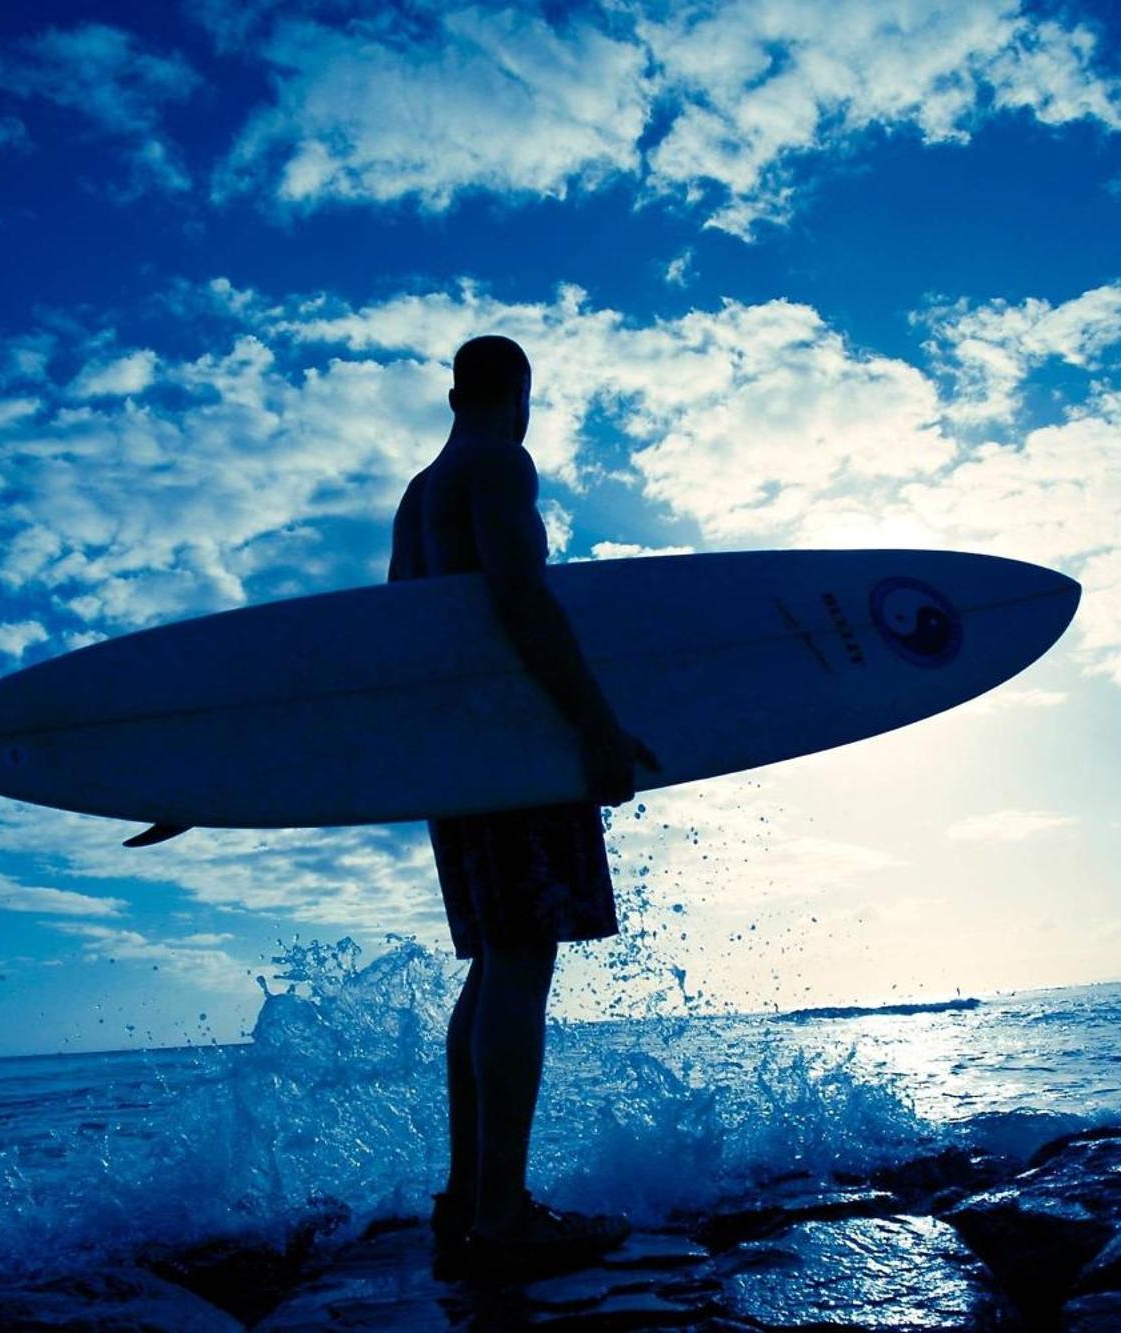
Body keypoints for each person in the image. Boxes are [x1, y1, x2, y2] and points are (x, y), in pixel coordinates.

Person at [386, 335, 660, 1277]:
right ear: (520, 395)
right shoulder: (500, 461)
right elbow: (520, 596)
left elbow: (399, 642)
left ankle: (466, 1200)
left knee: (493, 969)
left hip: (458, 760)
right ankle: (503, 1216)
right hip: (514, 749)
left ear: (454, 391)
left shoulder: (418, 495)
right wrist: (596, 728)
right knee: (519, 967)